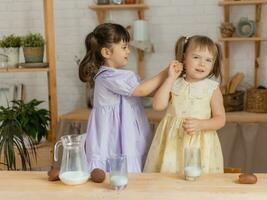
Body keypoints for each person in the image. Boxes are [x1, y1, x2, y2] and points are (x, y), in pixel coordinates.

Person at [79, 23, 171, 173]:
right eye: (124, 47)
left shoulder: (123, 76)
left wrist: (171, 82)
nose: (128, 51)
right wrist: (166, 72)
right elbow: (141, 90)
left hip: (129, 133)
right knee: (115, 168)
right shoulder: (107, 77)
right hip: (113, 137)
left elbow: (149, 90)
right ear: (107, 52)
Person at [144, 35, 225, 174]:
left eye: (208, 60)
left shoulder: (212, 88)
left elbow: (220, 119)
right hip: (171, 141)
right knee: (170, 178)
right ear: (183, 58)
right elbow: (158, 106)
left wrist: (201, 124)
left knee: (197, 182)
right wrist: (170, 78)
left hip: (200, 143)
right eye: (196, 57)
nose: (202, 63)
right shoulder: (174, 83)